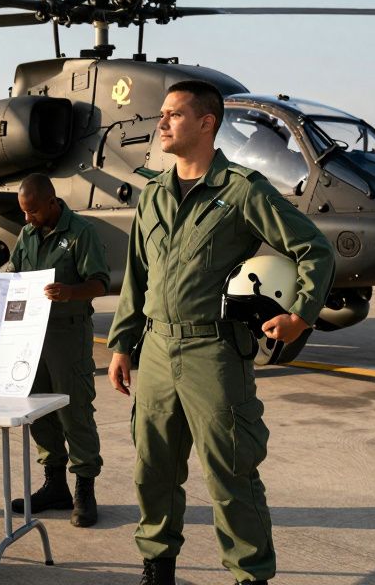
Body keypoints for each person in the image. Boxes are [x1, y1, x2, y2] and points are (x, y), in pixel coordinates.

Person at [106, 80, 335, 585]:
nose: (161, 123)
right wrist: (122, 343)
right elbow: (135, 277)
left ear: (207, 123)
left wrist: (300, 315)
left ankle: (250, 575)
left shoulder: (241, 190)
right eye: (161, 115)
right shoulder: (153, 196)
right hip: (158, 350)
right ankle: (157, 565)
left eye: (173, 115)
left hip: (213, 350)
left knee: (230, 472)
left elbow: (314, 250)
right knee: (153, 469)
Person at [0, 173, 109, 527]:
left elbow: (99, 281)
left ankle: (84, 490)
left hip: (67, 335)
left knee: (74, 409)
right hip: (29, 337)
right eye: (23, 212)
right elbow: (15, 271)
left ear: (52, 202)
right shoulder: (28, 234)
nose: (27, 218)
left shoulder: (82, 232)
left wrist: (69, 292)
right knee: (38, 409)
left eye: (32, 211)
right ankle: (54, 485)